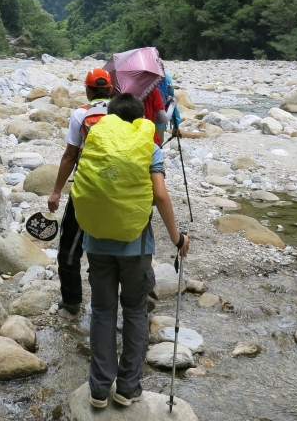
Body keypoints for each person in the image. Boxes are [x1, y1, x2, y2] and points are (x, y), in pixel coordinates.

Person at [73, 92, 189, 408]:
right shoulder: (148, 147)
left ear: (110, 115)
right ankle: (127, 387)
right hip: (135, 248)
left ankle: (98, 389)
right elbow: (161, 197)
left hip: (96, 244)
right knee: (136, 311)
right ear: (140, 119)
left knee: (102, 311)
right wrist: (178, 239)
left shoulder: (94, 144)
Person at [48, 67, 112, 318]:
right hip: (121, 191)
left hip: (86, 191)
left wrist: (55, 192)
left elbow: (70, 156)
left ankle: (72, 302)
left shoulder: (81, 114)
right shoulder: (126, 112)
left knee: (70, 248)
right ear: (111, 89)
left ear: (87, 90)